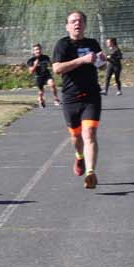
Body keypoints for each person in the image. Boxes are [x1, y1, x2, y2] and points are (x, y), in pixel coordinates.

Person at [51, 10, 104, 190]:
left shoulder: (92, 43)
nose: (77, 24)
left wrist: (101, 61)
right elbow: (57, 69)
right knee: (75, 136)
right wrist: (82, 60)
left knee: (89, 134)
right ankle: (79, 156)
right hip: (71, 97)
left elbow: (100, 65)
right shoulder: (62, 45)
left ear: (85, 25)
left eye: (80, 21)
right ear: (67, 26)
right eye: (73, 21)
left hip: (91, 96)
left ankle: (90, 173)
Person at [25, 44, 53, 108]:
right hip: (38, 77)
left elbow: (51, 65)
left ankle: (56, 99)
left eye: (39, 49)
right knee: (41, 92)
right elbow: (31, 72)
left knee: (52, 84)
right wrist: (35, 65)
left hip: (46, 75)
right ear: (33, 51)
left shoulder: (45, 57)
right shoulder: (31, 60)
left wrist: (51, 67)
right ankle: (40, 99)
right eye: (36, 50)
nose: (38, 51)